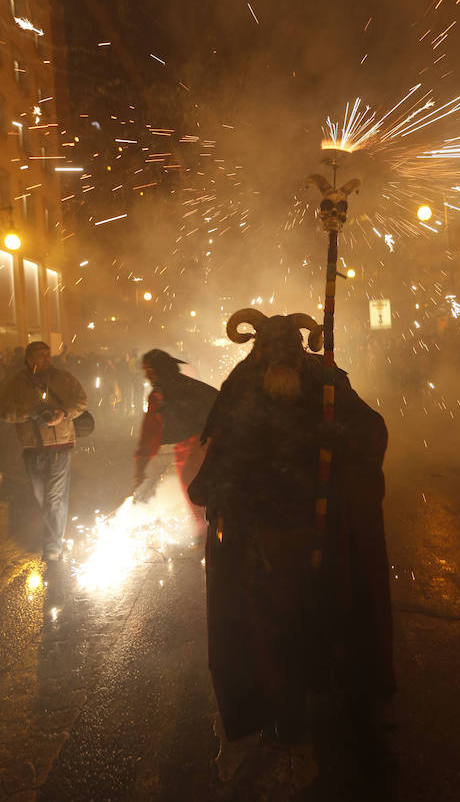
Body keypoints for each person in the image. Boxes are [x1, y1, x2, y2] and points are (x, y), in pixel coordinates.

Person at [189, 308, 395, 786]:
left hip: (320, 525)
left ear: (301, 348)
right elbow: (224, 447)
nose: (280, 353)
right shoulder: (242, 383)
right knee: (261, 631)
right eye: (271, 345)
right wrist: (217, 490)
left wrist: (340, 437)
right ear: (258, 348)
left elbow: (371, 429)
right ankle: (267, 729)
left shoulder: (327, 381)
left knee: (325, 624)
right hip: (257, 529)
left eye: (289, 345)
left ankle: (333, 730)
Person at [0, 341, 88, 561]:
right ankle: (53, 538)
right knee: (42, 498)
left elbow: (81, 400)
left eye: (48, 355)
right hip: (33, 448)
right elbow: (4, 410)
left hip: (61, 445)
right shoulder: (17, 383)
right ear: (29, 358)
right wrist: (28, 412)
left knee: (54, 497)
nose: (47, 359)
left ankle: (53, 547)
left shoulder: (64, 378)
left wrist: (63, 412)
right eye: (41, 355)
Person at [133, 349, 218, 540]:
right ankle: (204, 526)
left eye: (151, 370)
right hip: (184, 446)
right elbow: (150, 433)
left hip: (206, 441)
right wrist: (141, 465)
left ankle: (209, 529)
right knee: (189, 484)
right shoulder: (158, 396)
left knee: (193, 481)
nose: (147, 375)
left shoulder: (193, 389)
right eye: (146, 370)